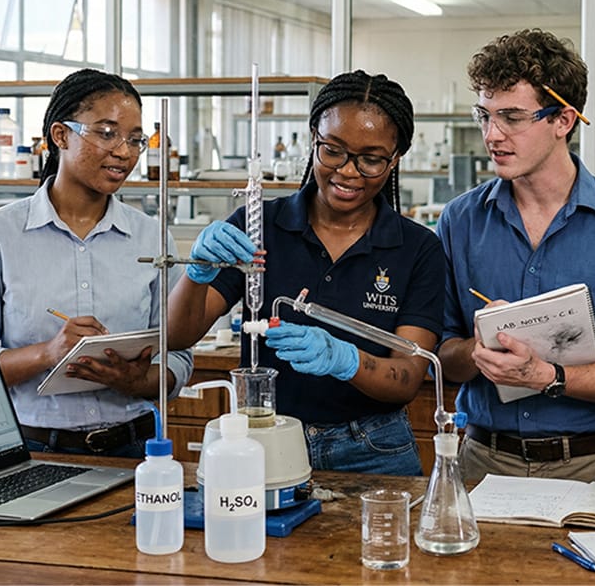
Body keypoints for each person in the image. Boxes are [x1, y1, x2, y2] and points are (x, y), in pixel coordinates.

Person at [166, 70, 441, 476]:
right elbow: (177, 334)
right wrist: (197, 272)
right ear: (313, 136)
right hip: (267, 437)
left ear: (395, 157)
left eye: (370, 159)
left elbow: (406, 377)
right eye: (332, 150)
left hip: (374, 449)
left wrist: (345, 360)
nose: (348, 172)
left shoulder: (418, 248)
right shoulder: (259, 225)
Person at [438, 28, 595, 482]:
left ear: (563, 120)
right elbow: (440, 356)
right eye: (484, 116)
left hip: (593, 468)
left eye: (512, 117)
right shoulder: (460, 221)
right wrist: (477, 349)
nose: (492, 135)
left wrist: (546, 374)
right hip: (482, 462)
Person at [0, 68, 192, 458]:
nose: (124, 152)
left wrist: (135, 380)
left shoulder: (151, 237)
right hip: (32, 449)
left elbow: (178, 354)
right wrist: (48, 353)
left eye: (134, 139)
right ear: (61, 135)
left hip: (134, 450)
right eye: (107, 133)